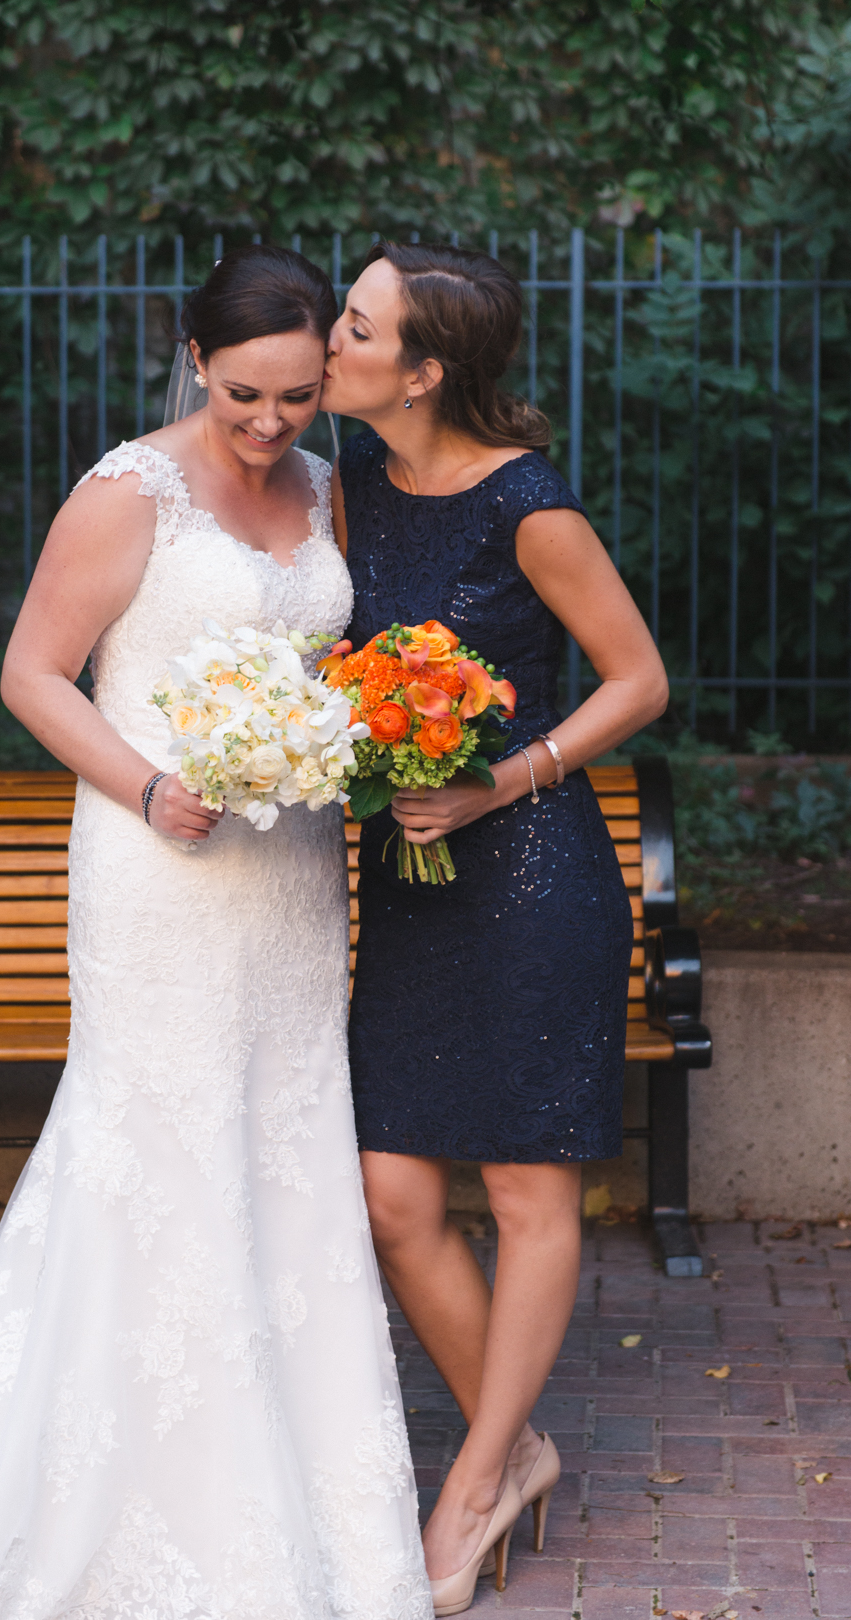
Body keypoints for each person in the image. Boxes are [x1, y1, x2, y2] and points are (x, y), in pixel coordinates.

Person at [0, 246, 432, 1620]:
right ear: (195, 359)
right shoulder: (129, 490)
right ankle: (147, 1501)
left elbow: (341, 664)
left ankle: (310, 1506)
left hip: (293, 873)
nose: (269, 424)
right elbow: (32, 670)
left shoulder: (326, 489)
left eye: (299, 398)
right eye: (246, 393)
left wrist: (336, 743)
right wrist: (145, 784)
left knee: (281, 1149)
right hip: (158, 863)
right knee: (160, 1149)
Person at [321, 240, 668, 1616]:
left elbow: (636, 678)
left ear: (422, 369)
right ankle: (514, 1444)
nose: (326, 340)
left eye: (353, 325)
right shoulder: (348, 486)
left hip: (531, 880)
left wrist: (500, 777)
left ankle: (467, 1488)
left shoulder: (528, 506)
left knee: (527, 1191)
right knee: (392, 1196)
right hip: (412, 889)